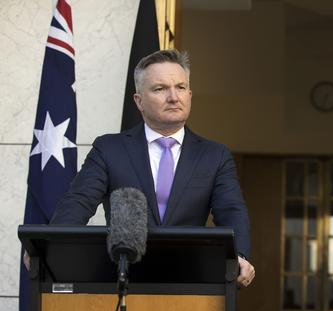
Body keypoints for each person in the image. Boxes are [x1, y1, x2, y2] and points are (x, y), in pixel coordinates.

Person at [49, 49, 255, 287]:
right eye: (160, 89)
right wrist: (51, 248)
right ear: (139, 101)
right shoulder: (109, 149)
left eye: (180, 87)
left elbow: (231, 210)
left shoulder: (214, 155)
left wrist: (239, 256)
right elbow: (78, 202)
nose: (173, 97)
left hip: (190, 284)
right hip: (123, 282)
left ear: (189, 94)